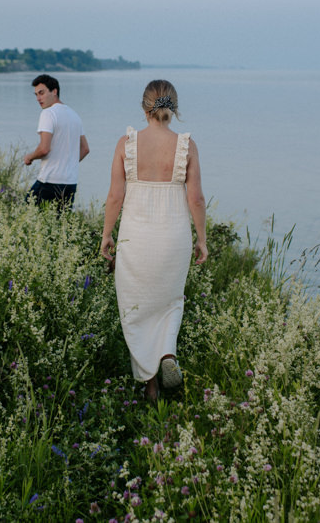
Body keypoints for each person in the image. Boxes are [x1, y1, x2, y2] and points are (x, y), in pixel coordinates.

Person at [100, 79, 208, 402]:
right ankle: (166, 354)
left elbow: (115, 196)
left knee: (136, 306)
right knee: (171, 300)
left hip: (136, 237)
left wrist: (106, 234)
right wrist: (202, 239)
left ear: (144, 107)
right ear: (173, 109)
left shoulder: (126, 144)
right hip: (174, 239)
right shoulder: (187, 146)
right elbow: (197, 199)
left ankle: (149, 382)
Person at [24, 74, 89, 208]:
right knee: (60, 226)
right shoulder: (74, 115)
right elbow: (85, 149)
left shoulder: (48, 113)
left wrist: (29, 157)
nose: (38, 98)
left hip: (49, 181)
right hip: (70, 183)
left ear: (54, 91)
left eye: (41, 93)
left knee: (25, 216)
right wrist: (67, 163)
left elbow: (44, 149)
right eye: (36, 95)